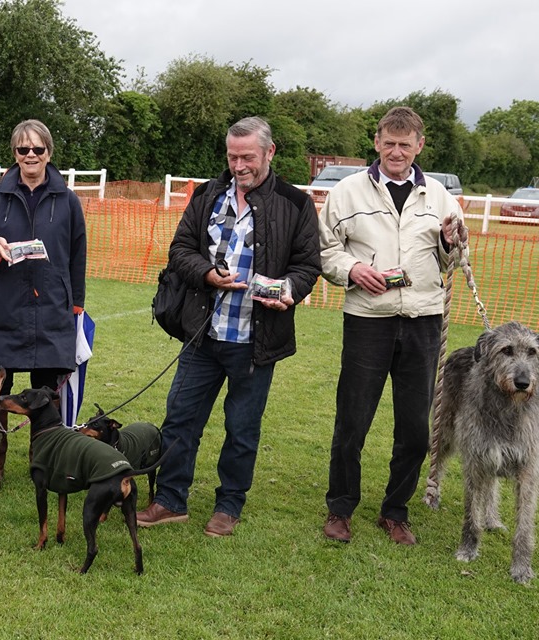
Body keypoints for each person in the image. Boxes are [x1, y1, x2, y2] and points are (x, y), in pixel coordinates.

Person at [136, 116, 321, 536]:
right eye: (233, 156)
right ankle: (169, 499)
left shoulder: (296, 203)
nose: (239, 166)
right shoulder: (206, 195)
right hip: (203, 333)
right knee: (180, 418)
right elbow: (180, 249)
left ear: (269, 153)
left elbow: (309, 265)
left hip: (255, 340)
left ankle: (229, 505)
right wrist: (206, 273)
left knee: (241, 428)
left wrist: (289, 288)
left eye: (248, 157)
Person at [319, 106, 463, 545]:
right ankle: (340, 509)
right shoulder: (346, 193)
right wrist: (352, 269)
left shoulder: (440, 197)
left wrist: (450, 243)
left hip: (423, 321)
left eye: (405, 144)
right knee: (352, 421)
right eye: (389, 142)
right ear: (377, 142)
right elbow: (325, 251)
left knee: (415, 429)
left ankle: (395, 512)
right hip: (368, 320)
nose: (396, 151)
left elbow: (455, 259)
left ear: (419, 146)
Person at [0, 119, 87, 487]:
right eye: (23, 149)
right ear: (14, 154)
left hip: (52, 305)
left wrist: (76, 303)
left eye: (37, 149)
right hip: (5, 304)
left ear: (49, 153)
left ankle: (44, 460)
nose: (30, 155)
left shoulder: (67, 199)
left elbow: (78, 253)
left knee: (46, 390)